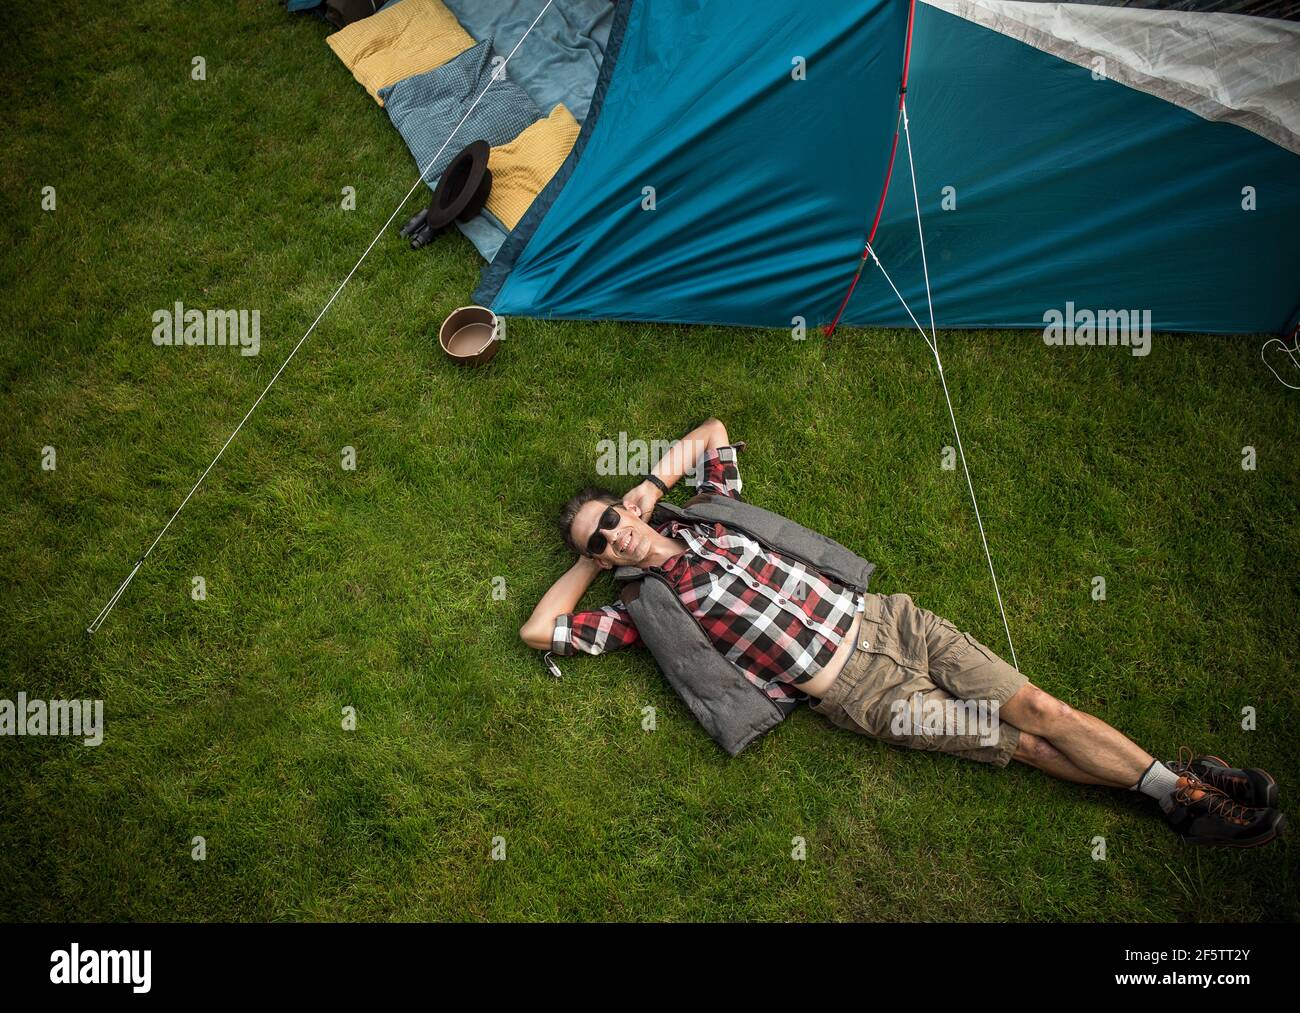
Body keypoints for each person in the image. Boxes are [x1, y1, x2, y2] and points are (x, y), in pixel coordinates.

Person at [520, 418, 1286, 848]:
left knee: (1043, 709)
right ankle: (1182, 790)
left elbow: (714, 430)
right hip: (862, 693)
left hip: (893, 620)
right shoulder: (643, 609)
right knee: (1024, 747)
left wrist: (651, 487)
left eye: (609, 520)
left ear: (629, 508)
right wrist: (593, 566)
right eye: (597, 540)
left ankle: (1176, 789)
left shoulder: (709, 509)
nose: (614, 536)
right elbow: (538, 629)